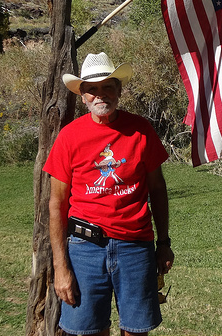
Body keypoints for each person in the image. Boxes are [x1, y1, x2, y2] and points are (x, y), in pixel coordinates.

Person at [44, 52, 174, 336]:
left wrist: (163, 242)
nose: (100, 95)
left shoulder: (140, 130)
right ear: (82, 96)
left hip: (135, 247)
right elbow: (56, 204)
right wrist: (60, 266)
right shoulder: (69, 136)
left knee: (137, 330)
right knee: (88, 330)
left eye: (107, 87)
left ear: (119, 90)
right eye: (92, 89)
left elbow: (158, 189)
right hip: (84, 249)